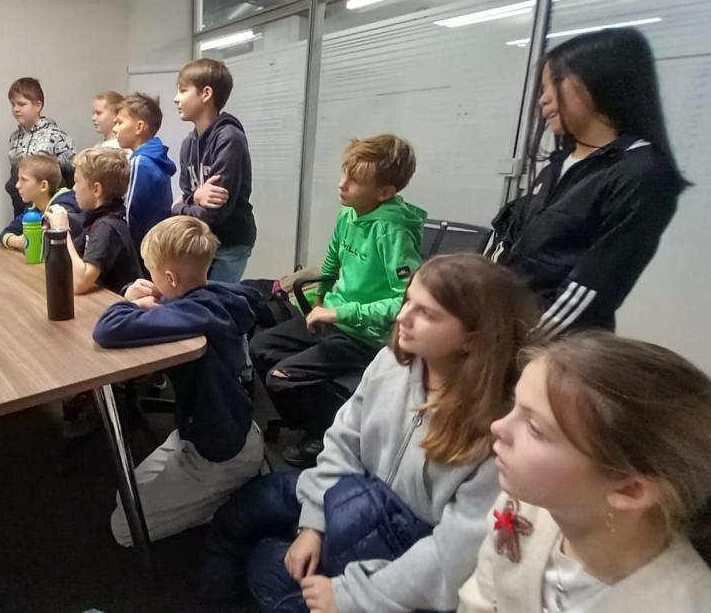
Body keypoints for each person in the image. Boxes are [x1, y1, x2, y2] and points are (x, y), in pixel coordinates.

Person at [202, 254, 540, 612]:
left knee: (268, 567)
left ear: (471, 339)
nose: (402, 317)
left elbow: (450, 556)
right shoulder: (391, 362)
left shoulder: (499, 430)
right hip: (352, 498)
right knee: (244, 513)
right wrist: (312, 525)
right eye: (408, 301)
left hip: (402, 549)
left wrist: (351, 595)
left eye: (426, 313)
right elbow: (344, 441)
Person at [458, 331, 711, 613]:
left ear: (630, 490)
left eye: (535, 428)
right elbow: (480, 601)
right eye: (516, 406)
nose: (498, 427)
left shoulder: (686, 603)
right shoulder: (526, 507)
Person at [491, 28, 686, 336]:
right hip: (501, 327)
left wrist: (525, 343)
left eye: (554, 83)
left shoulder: (641, 172)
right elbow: (511, 235)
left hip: (554, 343)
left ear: (601, 80)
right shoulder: (560, 162)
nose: (543, 99)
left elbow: (595, 285)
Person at [250, 135, 426, 468]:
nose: (341, 184)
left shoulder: (393, 233)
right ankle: (309, 419)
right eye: (344, 173)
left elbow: (406, 301)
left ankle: (325, 434)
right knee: (260, 346)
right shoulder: (350, 213)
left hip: (365, 336)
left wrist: (339, 312)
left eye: (354, 180)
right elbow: (332, 259)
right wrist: (320, 299)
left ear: (384, 192)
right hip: (334, 318)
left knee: (280, 376)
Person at [93, 215, 264, 546]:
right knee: (124, 495)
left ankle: (233, 498)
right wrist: (144, 297)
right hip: (212, 429)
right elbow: (175, 305)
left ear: (169, 278)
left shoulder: (192, 314)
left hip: (221, 451)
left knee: (124, 528)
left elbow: (107, 329)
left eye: (151, 273)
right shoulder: (210, 297)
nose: (149, 279)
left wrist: (129, 301)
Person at [172, 58, 255, 283]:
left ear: (206, 94)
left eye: (183, 90)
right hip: (200, 243)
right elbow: (187, 193)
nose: (176, 98)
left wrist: (180, 206)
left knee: (215, 301)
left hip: (229, 244)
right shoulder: (189, 144)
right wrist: (195, 197)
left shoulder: (229, 138)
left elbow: (215, 214)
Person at [45, 147, 141, 294]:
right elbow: (73, 260)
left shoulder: (107, 227)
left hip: (114, 304)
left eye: (77, 182)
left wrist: (62, 231)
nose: (73, 189)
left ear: (96, 189)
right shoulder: (97, 220)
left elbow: (80, 283)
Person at [114, 92, 176, 250]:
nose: (115, 129)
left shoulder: (140, 162)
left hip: (141, 247)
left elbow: (130, 212)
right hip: (155, 244)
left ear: (139, 127)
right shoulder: (154, 158)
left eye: (120, 123)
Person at [5, 77, 75, 217]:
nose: (16, 109)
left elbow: (71, 176)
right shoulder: (14, 138)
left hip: (48, 209)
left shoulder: (56, 136)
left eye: (21, 104)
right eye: (13, 104)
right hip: (20, 206)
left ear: (37, 106)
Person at [0, 154, 83, 250]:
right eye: (18, 179)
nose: (17, 185)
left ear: (43, 186)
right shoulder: (33, 208)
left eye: (24, 180)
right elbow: (6, 233)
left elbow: (53, 247)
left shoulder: (64, 208)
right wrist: (18, 241)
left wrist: (28, 242)